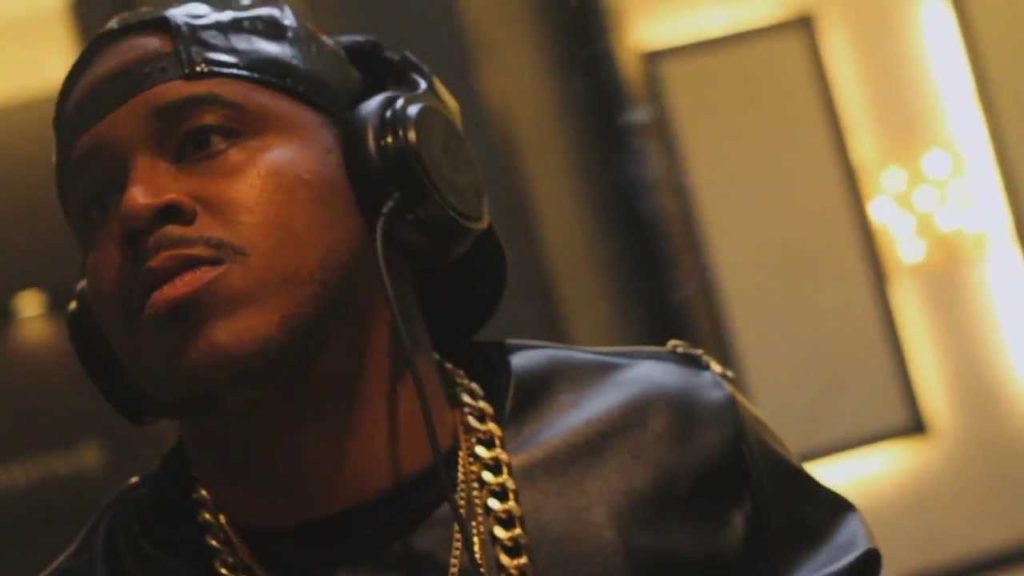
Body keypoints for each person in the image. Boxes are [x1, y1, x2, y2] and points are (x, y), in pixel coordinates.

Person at [43, 1, 882, 575]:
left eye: (202, 140)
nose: (139, 205)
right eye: (96, 202)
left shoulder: (665, 439)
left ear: (385, 169)